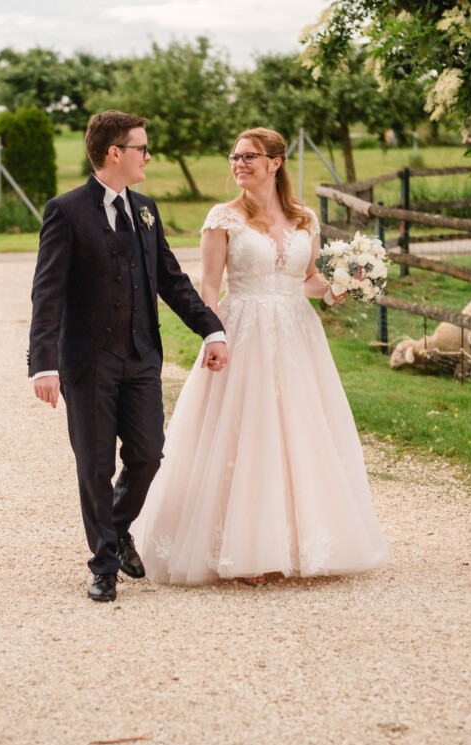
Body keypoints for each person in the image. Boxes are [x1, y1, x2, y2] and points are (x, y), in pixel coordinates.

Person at [132, 127, 390, 585]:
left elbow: (306, 279)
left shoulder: (304, 218)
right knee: (246, 433)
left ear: (275, 162)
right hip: (242, 329)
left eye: (249, 156)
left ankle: (290, 543)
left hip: (296, 335)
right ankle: (241, 549)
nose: (239, 163)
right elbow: (209, 287)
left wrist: (337, 289)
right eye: (234, 156)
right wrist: (214, 336)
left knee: (297, 433)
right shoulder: (222, 218)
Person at [28, 110, 229, 602]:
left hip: (140, 358)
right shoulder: (66, 211)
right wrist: (43, 363)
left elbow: (171, 280)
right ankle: (103, 565)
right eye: (142, 148)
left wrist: (212, 329)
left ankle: (117, 530)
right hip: (87, 364)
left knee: (147, 454)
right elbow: (47, 293)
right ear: (114, 153)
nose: (149, 156)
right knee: (94, 465)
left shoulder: (146, 209)